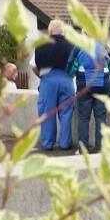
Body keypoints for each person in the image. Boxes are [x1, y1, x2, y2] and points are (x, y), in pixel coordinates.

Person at [33, 19, 77, 152]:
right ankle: (65, 143)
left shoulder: (41, 44)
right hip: (66, 80)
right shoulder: (71, 46)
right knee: (66, 112)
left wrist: (42, 76)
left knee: (47, 112)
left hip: (48, 80)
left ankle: (47, 143)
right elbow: (75, 64)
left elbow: (33, 66)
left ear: (50, 31)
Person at [69, 40, 110, 153]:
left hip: (84, 82)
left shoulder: (79, 46)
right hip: (102, 82)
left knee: (83, 118)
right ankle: (100, 149)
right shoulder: (105, 46)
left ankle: (83, 149)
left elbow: (71, 71)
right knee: (100, 117)